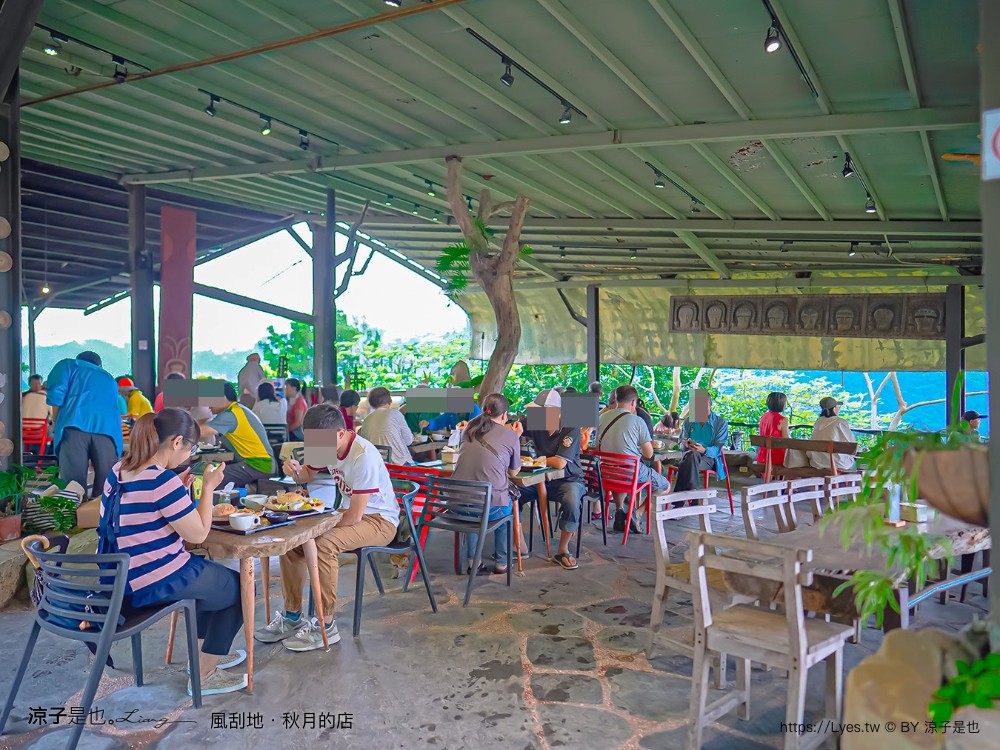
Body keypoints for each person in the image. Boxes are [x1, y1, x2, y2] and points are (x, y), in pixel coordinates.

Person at [99, 409, 245, 695]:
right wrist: (208, 489)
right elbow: (198, 534)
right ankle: (205, 673)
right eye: (191, 448)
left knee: (211, 580)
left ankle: (202, 658)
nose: (189, 455)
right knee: (238, 588)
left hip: (120, 581)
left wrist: (178, 489)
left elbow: (141, 514)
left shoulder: (117, 472)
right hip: (154, 580)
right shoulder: (161, 480)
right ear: (177, 442)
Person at [259, 404, 398, 651]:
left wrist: (319, 527)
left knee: (323, 543)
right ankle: (292, 616)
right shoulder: (326, 444)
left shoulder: (363, 456)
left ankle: (326, 624)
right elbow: (305, 476)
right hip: (348, 514)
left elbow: (355, 516)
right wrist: (294, 470)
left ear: (340, 433)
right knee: (293, 538)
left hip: (379, 521)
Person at [452, 394, 522, 575]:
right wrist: (516, 437)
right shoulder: (510, 435)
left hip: (457, 504)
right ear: (504, 415)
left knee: (473, 502)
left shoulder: (468, 429)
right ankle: (501, 563)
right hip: (487, 507)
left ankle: (473, 562)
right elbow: (514, 472)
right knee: (505, 507)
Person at [519, 390, 584, 570]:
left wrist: (534, 461)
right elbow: (511, 428)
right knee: (511, 494)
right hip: (539, 479)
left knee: (572, 500)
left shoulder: (571, 426)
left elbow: (560, 462)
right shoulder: (535, 421)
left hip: (568, 479)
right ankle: (520, 546)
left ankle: (563, 550)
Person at [46, 352, 123, 498]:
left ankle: (76, 511)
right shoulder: (109, 379)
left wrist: (56, 422)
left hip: (74, 427)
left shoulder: (69, 365)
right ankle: (99, 512)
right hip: (108, 433)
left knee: (73, 486)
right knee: (106, 488)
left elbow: (56, 395)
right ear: (99, 365)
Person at [596, 385, 667, 532]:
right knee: (665, 486)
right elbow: (649, 454)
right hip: (630, 472)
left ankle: (620, 511)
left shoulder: (602, 417)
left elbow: (598, 447)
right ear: (634, 402)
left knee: (618, 471)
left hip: (607, 473)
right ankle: (637, 513)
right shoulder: (637, 421)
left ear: (616, 399)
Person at [199, 382, 276, 488]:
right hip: (262, 463)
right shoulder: (238, 409)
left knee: (212, 477)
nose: (208, 406)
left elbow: (200, 431)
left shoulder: (230, 415)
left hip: (257, 464)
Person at [675, 391, 729, 493]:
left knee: (688, 461)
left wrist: (704, 450)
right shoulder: (689, 421)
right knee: (692, 456)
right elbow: (681, 443)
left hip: (709, 459)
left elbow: (718, 449)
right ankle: (694, 493)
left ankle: (681, 495)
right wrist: (685, 444)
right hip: (689, 455)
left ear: (710, 403)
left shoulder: (720, 423)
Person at [359, 386, 414, 465]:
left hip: (377, 465)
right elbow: (408, 440)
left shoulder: (366, 420)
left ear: (371, 402)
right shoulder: (395, 413)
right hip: (398, 465)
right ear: (390, 400)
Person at [804, 397, 856, 471]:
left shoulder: (818, 422)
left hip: (817, 463)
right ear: (834, 408)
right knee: (854, 463)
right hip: (837, 464)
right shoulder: (840, 422)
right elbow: (852, 445)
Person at [756, 392, 791, 467]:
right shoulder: (783, 420)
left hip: (762, 456)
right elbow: (786, 441)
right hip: (776, 458)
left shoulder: (763, 417)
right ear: (781, 404)